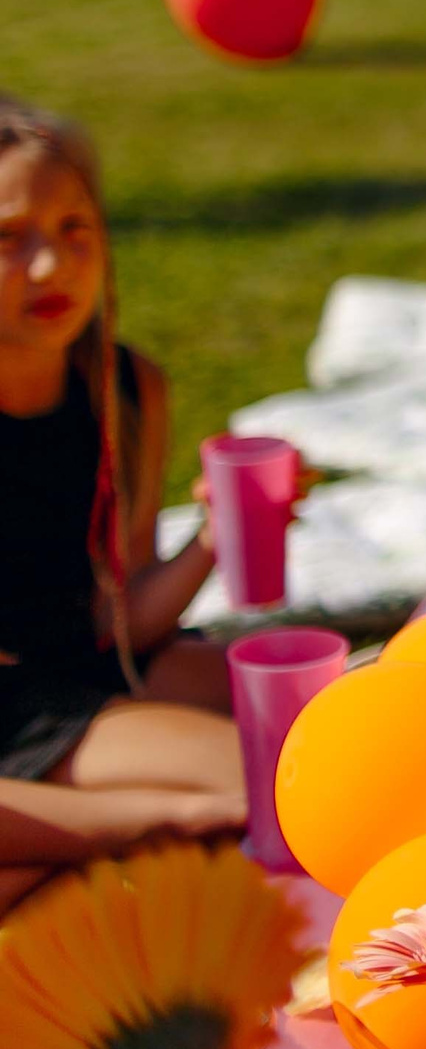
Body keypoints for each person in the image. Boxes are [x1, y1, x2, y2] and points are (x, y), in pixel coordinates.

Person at [0, 98, 246, 915]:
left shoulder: (124, 389)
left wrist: (214, 537)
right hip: (17, 713)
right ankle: (126, 823)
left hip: (95, 667)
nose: (51, 266)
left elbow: (121, 622)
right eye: (10, 237)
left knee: (336, 722)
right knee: (267, 785)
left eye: (76, 229)